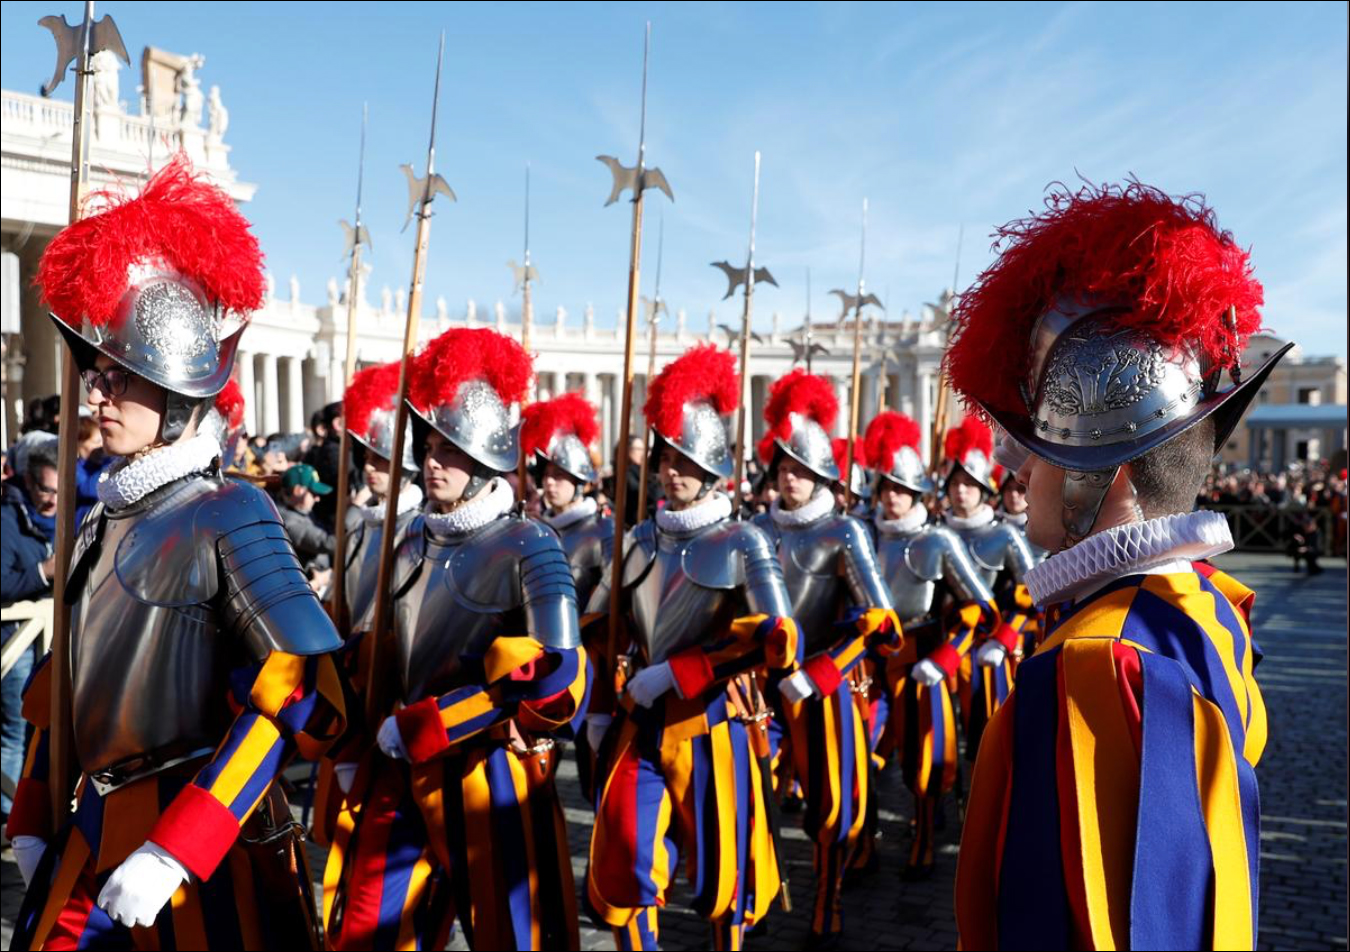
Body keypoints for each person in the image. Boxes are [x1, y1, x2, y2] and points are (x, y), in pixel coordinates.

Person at [7, 154, 346, 951]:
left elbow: (300, 692)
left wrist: (179, 844)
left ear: (179, 391)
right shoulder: (101, 517)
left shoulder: (233, 513)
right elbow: (67, 681)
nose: (95, 395)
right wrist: (33, 806)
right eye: (95, 372)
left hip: (191, 833)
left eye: (118, 377)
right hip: (89, 823)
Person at [949, 181, 1286, 950]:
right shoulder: (1202, 604)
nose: (1016, 477)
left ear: (1101, 481)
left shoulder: (1099, 662)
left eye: (1037, 456)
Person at [322, 327, 588, 951]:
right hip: (397, 764)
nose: (433, 460)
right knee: (367, 933)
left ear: (486, 457)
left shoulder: (529, 544)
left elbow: (558, 673)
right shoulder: (407, 534)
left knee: (511, 936)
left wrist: (436, 721)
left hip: (488, 770)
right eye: (430, 445)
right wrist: (354, 738)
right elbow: (378, 646)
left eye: (451, 449)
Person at [585, 344, 805, 951]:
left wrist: (683, 671)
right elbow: (602, 630)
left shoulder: (744, 540)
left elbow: (780, 636)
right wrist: (601, 706)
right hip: (640, 721)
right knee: (630, 856)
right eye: (665, 459)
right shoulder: (634, 540)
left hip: (713, 720)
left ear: (710, 469)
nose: (671, 471)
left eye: (685, 460)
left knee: (721, 872)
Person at [750, 370, 899, 947]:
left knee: (832, 801)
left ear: (822, 476)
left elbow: (880, 622)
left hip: (824, 681)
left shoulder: (845, 533)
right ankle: (754, 890)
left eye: (801, 470)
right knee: (752, 792)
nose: (789, 478)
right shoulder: (756, 529)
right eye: (783, 467)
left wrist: (820, 673)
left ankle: (828, 896)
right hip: (761, 683)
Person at [859, 411, 997, 878]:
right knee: (863, 754)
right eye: (886, 487)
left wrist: (944, 657)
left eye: (901, 488)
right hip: (871, 661)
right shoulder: (864, 536)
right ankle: (863, 841)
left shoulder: (937, 541)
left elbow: (980, 608)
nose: (892, 496)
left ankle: (922, 839)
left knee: (927, 760)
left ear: (916, 493)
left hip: (923, 659)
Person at [937, 415, 1036, 761]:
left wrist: (1006, 638)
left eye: (968, 483)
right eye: (954, 483)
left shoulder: (1004, 535)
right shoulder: (936, 532)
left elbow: (1033, 592)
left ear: (982, 488)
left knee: (989, 738)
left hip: (992, 646)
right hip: (942, 647)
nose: (960, 490)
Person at [0, 445, 58, 837]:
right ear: (28, 481)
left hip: (48, 640)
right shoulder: (6, 520)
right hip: (16, 640)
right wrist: (43, 571)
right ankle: (7, 819)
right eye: (45, 489)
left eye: (60, 490)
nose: (52, 499)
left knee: (44, 731)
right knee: (14, 732)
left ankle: (31, 813)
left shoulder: (69, 516)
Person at [279, 463, 338, 590]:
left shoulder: (304, 511)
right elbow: (330, 543)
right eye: (314, 493)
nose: (318, 499)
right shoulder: (288, 522)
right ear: (298, 491)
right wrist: (353, 510)